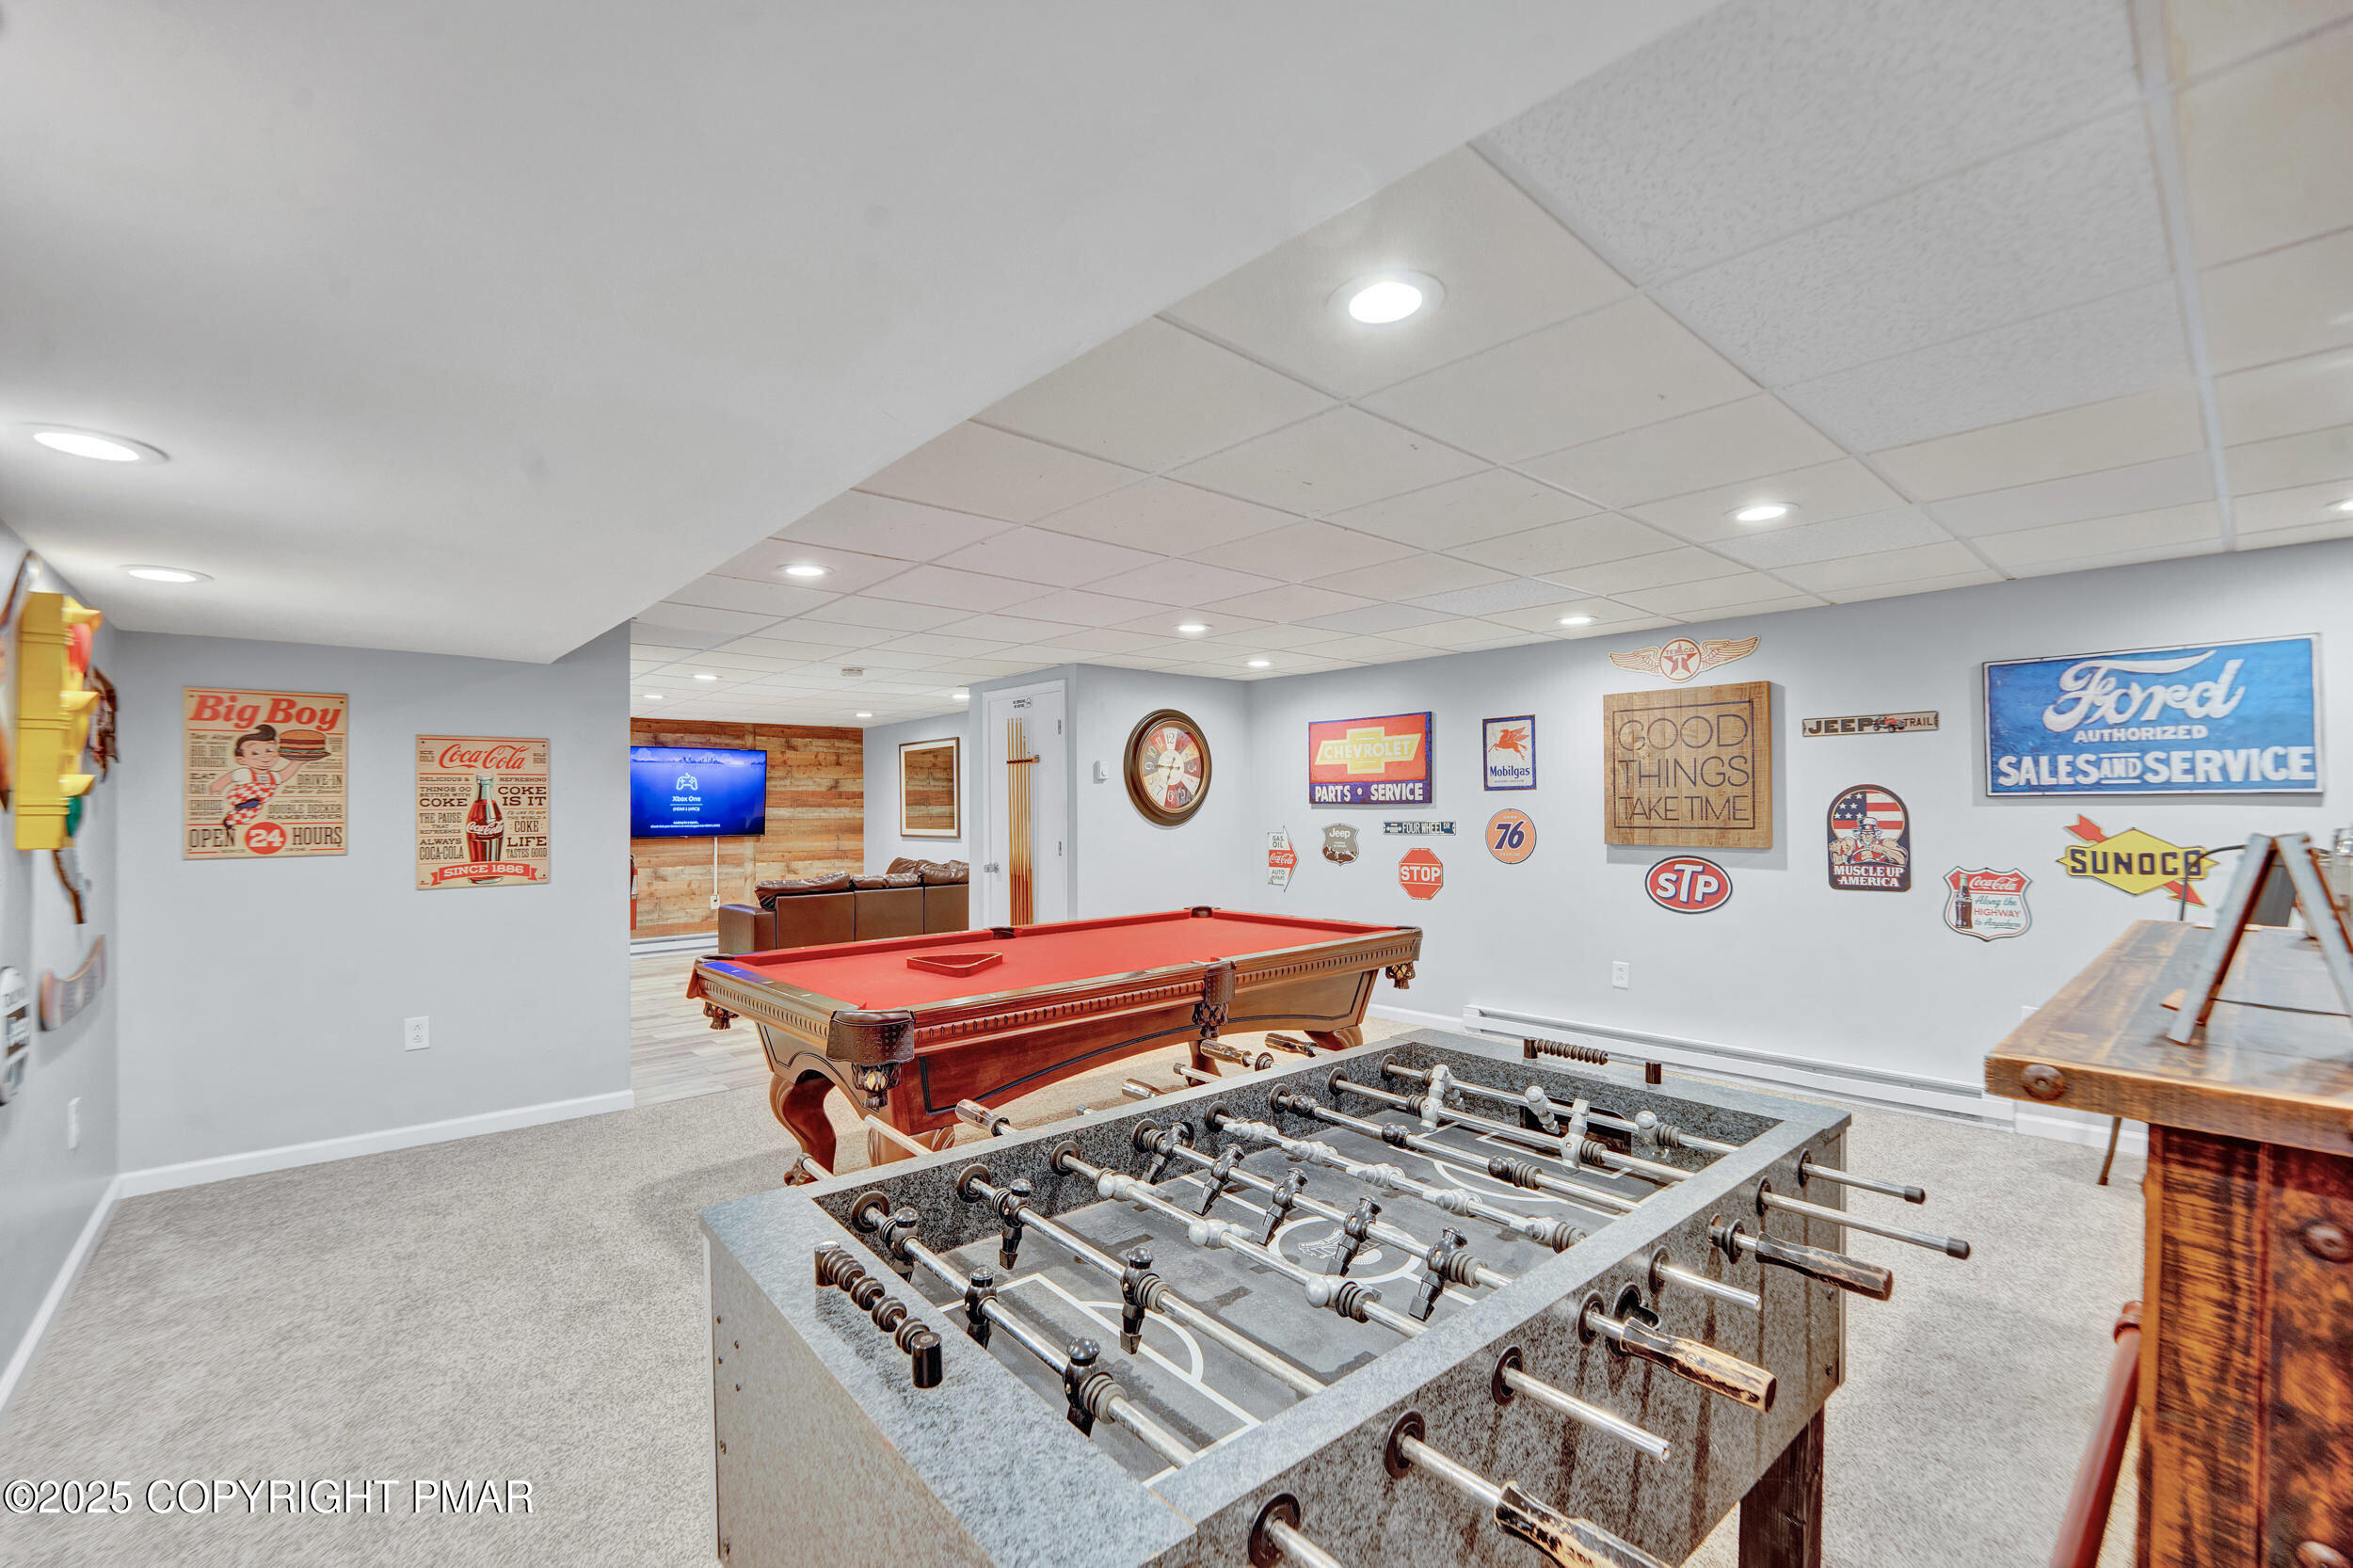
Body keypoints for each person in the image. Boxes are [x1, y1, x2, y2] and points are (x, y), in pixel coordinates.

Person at [212, 724, 313, 831]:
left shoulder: (273, 776)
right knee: (246, 809)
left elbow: (284, 775)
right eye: (255, 753)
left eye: (269, 750)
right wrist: (217, 787)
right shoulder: (245, 773)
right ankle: (237, 811)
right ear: (241, 760)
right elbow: (228, 778)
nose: (265, 756)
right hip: (240, 796)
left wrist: (296, 763)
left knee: (250, 814)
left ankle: (233, 818)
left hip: (257, 804)